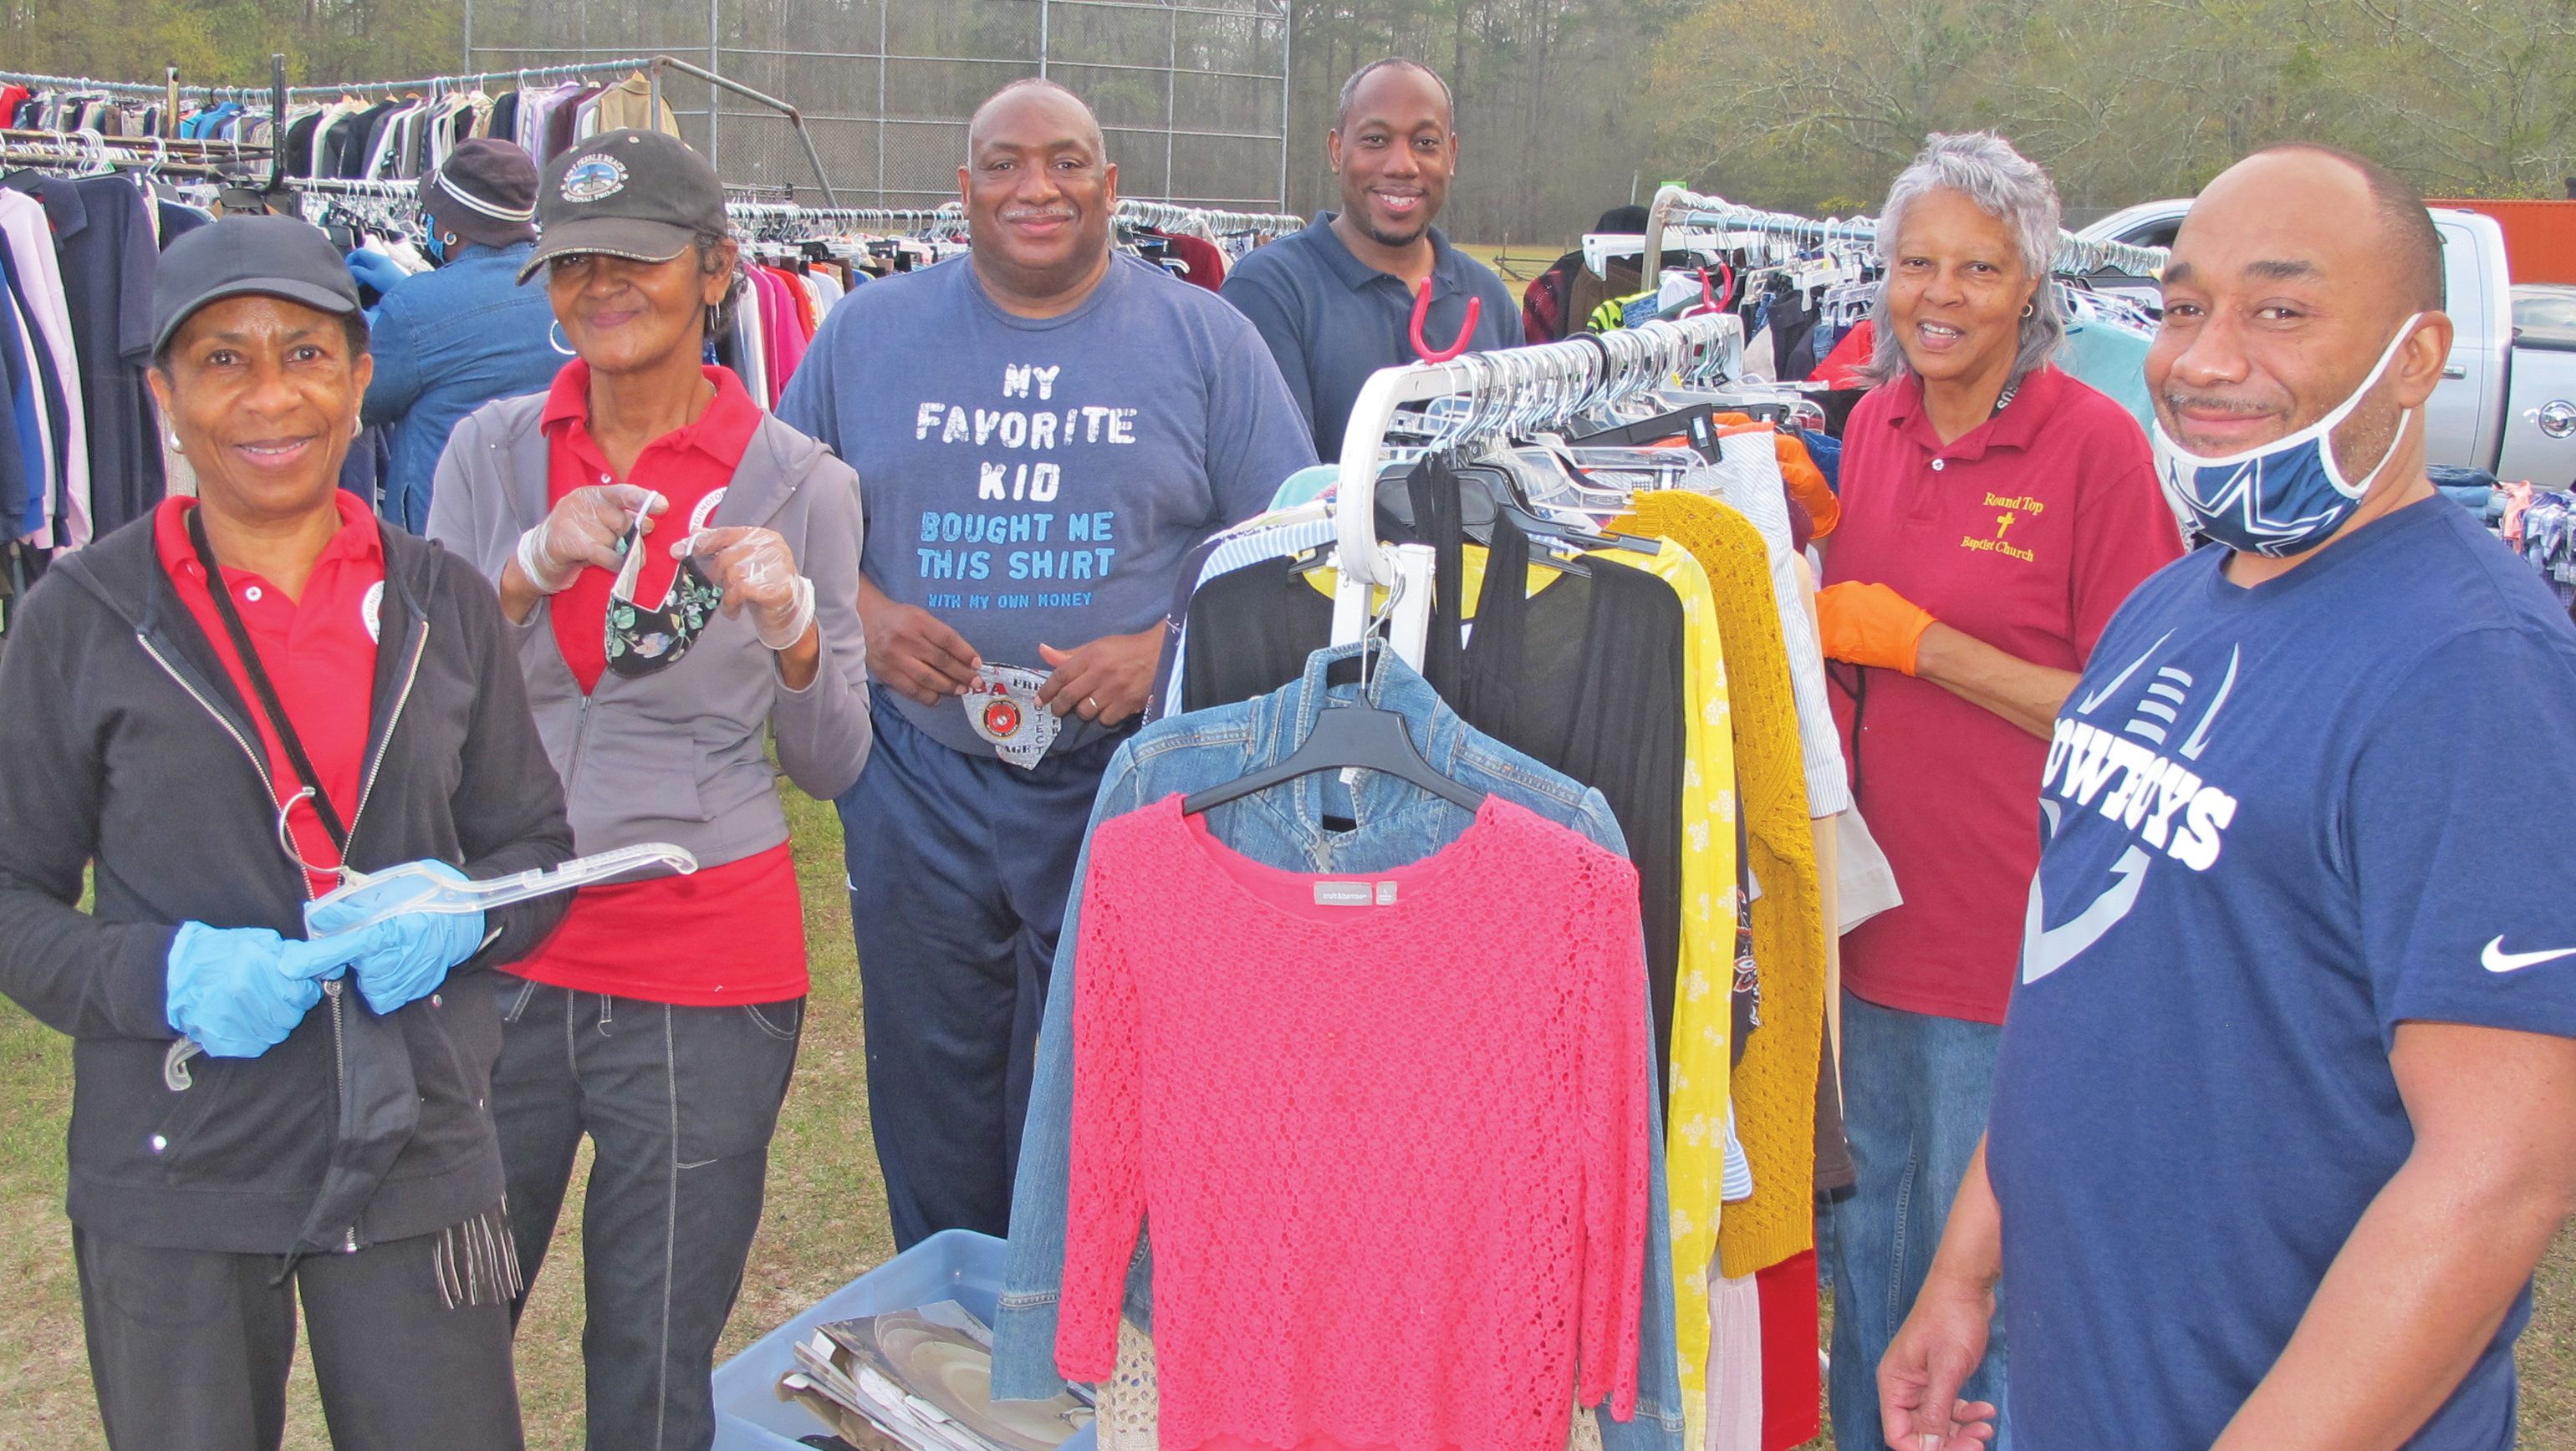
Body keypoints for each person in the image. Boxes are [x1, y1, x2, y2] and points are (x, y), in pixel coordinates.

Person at [1880, 143, 2576, 1451]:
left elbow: (2498, 1176)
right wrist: (1966, 1267)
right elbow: (2077, 976)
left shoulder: (2474, 670)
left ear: (2417, 357)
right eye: (2185, 306)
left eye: (2280, 310)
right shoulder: (2167, 608)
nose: (2203, 360)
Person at [0, 214, 574, 1449]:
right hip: (177, 1159)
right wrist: (161, 975)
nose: (270, 396)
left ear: (361, 380)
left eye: (306, 354)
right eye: (223, 359)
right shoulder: (83, 615)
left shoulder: (443, 599)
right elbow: (11, 895)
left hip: (419, 1140)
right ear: (163, 396)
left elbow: (537, 851)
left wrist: (465, 914)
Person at [775, 79, 1314, 1249]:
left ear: (1110, 187)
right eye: (1005, 164)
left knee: (1114, 1083)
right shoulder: (866, 333)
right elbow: (774, 525)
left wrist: (1169, 649)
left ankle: (1082, 1327)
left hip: (1125, 778)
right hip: (919, 777)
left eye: (1067, 162)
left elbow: (1296, 554)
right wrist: (867, 611)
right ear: (962, 190)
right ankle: (950, 1311)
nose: (1038, 188)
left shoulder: (1204, 339)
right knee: (932, 1080)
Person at [427, 129, 874, 1451]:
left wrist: (794, 630)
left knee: (652, 1359)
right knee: (435, 1336)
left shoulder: (801, 482)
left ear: (718, 270)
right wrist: (523, 571)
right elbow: (419, 708)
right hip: (497, 955)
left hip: (702, 973)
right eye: (572, 264)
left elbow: (832, 761)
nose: (601, 287)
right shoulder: (492, 451)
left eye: (636, 258)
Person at [1812, 130, 2183, 1451]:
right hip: (1871, 933)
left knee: (1976, 1298)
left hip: (2009, 945)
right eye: (1917, 264)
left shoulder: (2093, 448)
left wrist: (1927, 647)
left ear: (2032, 283)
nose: (1941, 296)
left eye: (1978, 268)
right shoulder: (1874, 422)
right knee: (1867, 1260)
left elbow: (2141, 720)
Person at [1219, 58, 1523, 460]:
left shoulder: (1489, 299)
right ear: (1337, 150)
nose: (1402, 166)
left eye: (1425, 143)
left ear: (1450, 156)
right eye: (1376, 140)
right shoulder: (1268, 290)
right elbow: (1277, 482)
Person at [346, 140, 560, 532]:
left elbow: (359, 399)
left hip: (451, 529)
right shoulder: (566, 284)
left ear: (448, 228)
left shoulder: (417, 307)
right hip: (553, 511)